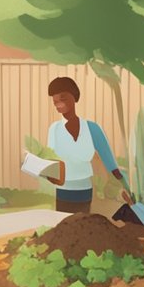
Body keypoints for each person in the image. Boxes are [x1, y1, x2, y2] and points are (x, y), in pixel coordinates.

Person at [41, 77, 129, 213]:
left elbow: (109, 160)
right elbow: (51, 161)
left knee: (81, 226)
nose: (59, 105)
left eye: (63, 99)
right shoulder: (54, 129)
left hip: (84, 191)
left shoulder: (92, 128)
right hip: (63, 191)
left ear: (74, 97)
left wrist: (125, 185)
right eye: (55, 102)